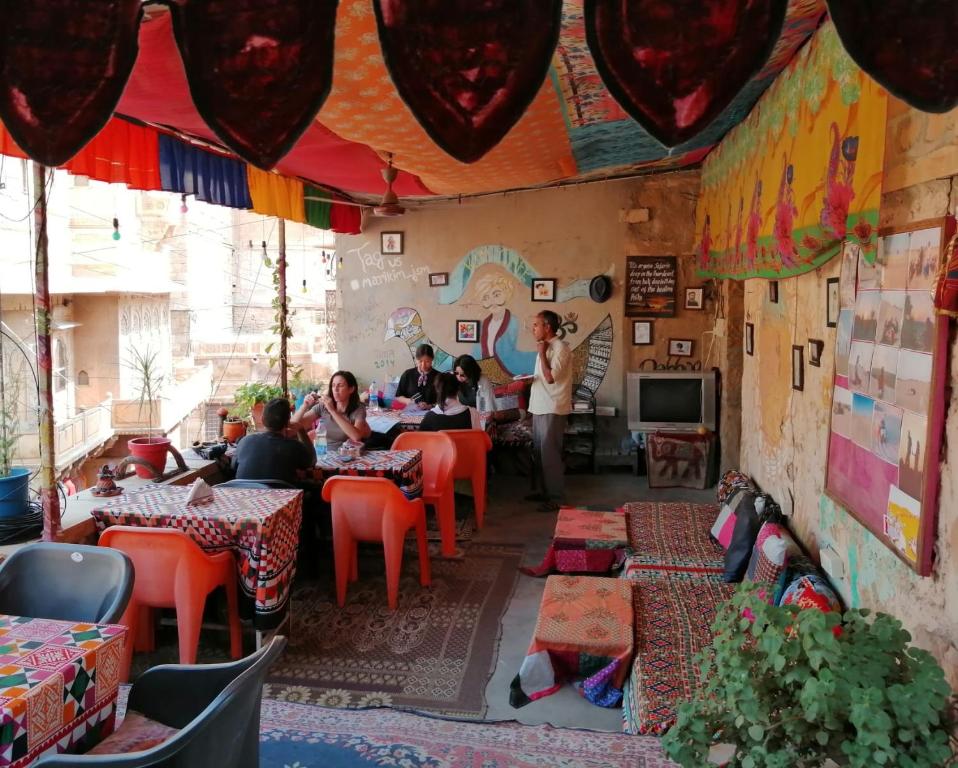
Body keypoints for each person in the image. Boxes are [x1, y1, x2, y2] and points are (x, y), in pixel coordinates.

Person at [526, 310, 572, 512]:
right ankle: (544, 492)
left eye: (536, 325)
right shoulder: (544, 347)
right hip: (539, 406)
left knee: (550, 454)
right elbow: (544, 377)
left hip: (552, 407)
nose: (533, 328)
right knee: (539, 452)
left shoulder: (560, 348)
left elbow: (551, 377)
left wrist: (542, 353)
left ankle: (556, 497)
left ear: (547, 327)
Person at [231, 397, 315, 485]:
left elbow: (233, 467)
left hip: (244, 496)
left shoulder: (245, 441)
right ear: (287, 423)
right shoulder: (294, 446)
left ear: (262, 419)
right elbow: (311, 462)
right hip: (282, 497)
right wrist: (301, 429)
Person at [292, 370, 371, 451]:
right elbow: (293, 426)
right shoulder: (323, 406)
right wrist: (304, 406)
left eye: (340, 385)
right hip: (323, 453)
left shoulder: (358, 409)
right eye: (333, 385)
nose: (335, 389)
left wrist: (333, 411)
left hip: (345, 454)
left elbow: (356, 437)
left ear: (351, 389)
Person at [394, 344, 439, 408]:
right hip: (410, 413)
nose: (423, 365)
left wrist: (429, 406)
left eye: (427, 362)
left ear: (432, 359)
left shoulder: (439, 377)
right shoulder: (407, 374)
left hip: (432, 414)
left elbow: (445, 401)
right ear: (416, 359)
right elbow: (398, 396)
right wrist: (409, 401)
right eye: (420, 361)